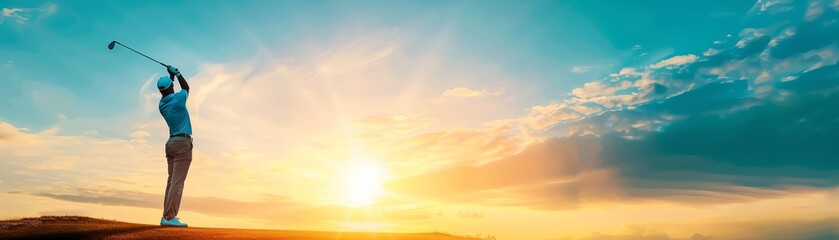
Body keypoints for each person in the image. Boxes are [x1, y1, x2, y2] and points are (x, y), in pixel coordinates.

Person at [157, 65, 192, 227]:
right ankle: (170, 217)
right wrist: (177, 73)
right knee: (177, 183)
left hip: (170, 144)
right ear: (171, 87)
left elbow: (169, 89)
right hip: (182, 143)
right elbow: (186, 87)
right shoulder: (178, 99)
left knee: (172, 182)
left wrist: (171, 77)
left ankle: (167, 216)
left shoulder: (162, 104)